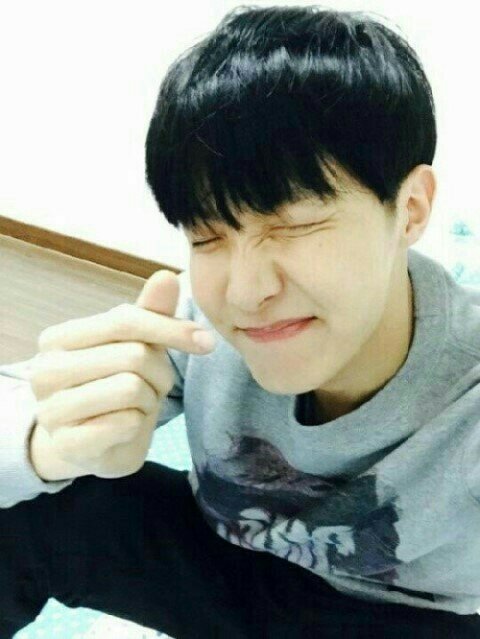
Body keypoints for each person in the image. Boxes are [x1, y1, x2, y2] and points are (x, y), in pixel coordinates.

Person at [2, 5, 480, 638]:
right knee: (38, 503)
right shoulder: (197, 321)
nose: (248, 291)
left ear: (411, 208)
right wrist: (45, 444)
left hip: (400, 617)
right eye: (207, 236)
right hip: (227, 562)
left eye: (297, 225)